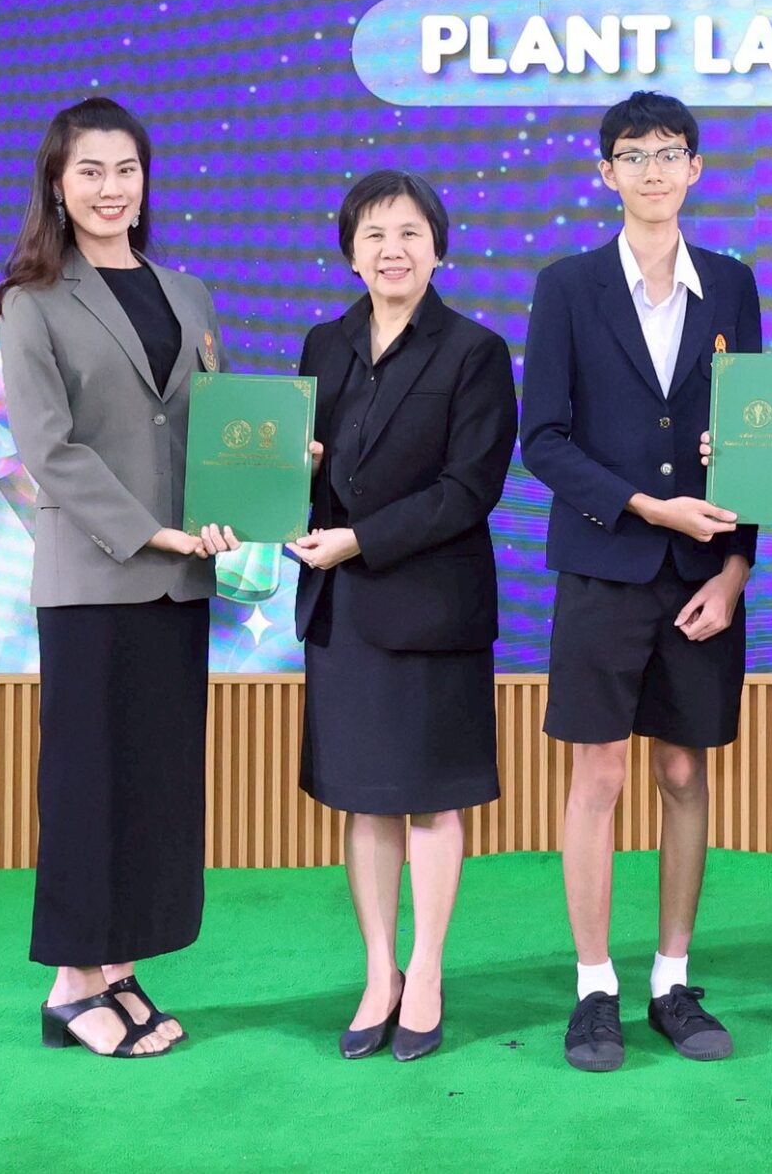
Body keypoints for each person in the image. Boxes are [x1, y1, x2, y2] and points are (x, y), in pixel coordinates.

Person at [519, 91, 763, 1072]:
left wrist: (737, 568)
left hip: (705, 574)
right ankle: (594, 986)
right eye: (634, 154)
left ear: (696, 168)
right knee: (600, 774)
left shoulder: (733, 285)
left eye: (670, 153)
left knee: (683, 772)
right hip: (603, 566)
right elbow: (543, 439)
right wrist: (648, 508)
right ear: (605, 172)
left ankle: (672, 978)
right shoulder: (568, 286)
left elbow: (759, 442)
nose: (653, 170)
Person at [0, 96, 236, 1057]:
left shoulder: (187, 292)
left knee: (155, 785)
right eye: (90, 170)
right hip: (94, 581)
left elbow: (211, 428)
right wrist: (151, 531)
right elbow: (48, 450)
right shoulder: (32, 299)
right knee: (86, 784)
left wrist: (270, 464)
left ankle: (120, 967)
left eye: (125, 169)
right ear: (58, 184)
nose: (110, 188)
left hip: (180, 584)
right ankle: (69, 984)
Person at [289, 171, 517, 1062]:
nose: (393, 250)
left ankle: (426, 971)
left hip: (431, 609)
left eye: (411, 233)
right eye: (375, 234)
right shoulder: (324, 344)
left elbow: (469, 489)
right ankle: (378, 971)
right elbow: (305, 471)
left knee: (430, 800)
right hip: (343, 610)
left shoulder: (475, 351)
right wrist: (296, 475)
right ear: (351, 251)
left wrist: (359, 539)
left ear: (438, 248)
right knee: (365, 800)